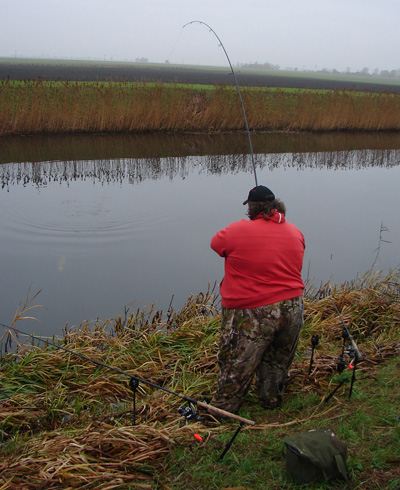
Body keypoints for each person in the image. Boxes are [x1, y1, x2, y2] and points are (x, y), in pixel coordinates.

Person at [209, 185, 305, 414]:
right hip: (293, 308)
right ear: (275, 206)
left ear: (251, 208)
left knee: (236, 365)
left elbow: (215, 244)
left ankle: (221, 411)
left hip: (254, 312)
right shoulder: (295, 232)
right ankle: (270, 401)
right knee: (276, 362)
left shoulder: (236, 231)